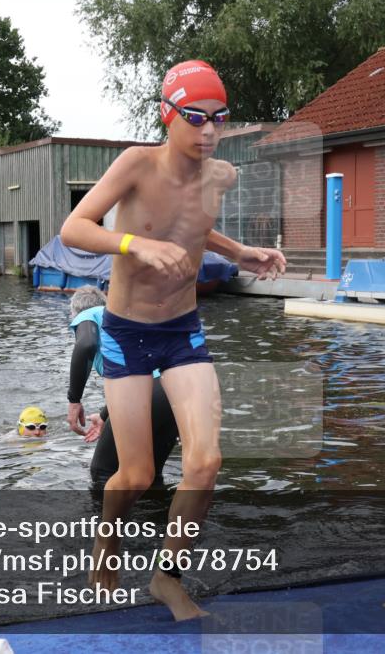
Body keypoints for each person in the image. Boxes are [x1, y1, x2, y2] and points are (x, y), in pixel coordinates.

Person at [60, 59, 286, 621]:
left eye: (219, 117)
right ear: (168, 115)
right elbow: (74, 229)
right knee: (134, 475)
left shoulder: (221, 176)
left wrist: (241, 253)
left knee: (206, 462)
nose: (209, 130)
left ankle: (167, 576)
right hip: (127, 334)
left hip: (183, 331)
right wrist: (134, 244)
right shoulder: (137, 165)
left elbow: (193, 224)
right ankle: (107, 541)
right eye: (196, 117)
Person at [66, 286, 179, 486]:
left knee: (103, 473)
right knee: (150, 475)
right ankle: (161, 518)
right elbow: (136, 379)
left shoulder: (91, 314)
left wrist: (74, 400)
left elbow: (86, 345)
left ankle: (104, 519)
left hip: (148, 393)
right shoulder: (125, 322)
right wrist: (103, 416)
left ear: (74, 313)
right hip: (175, 395)